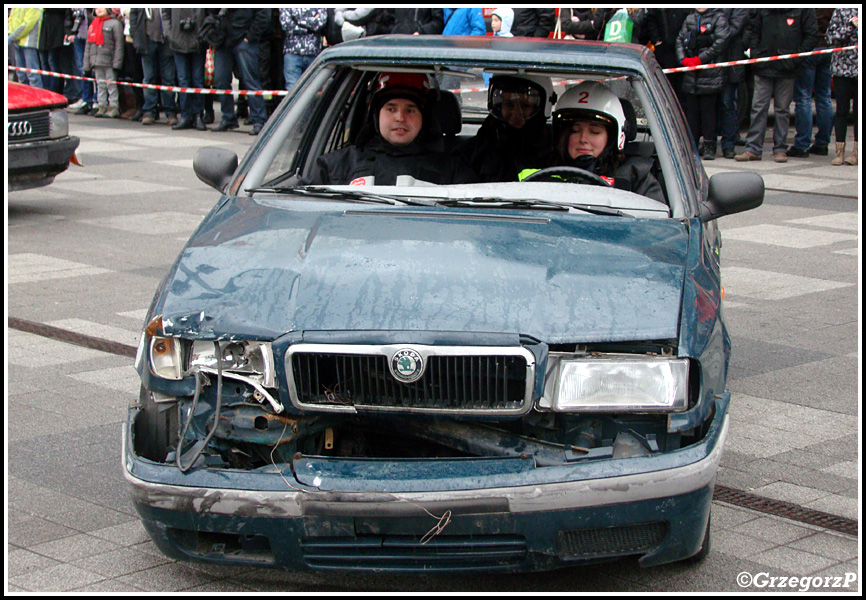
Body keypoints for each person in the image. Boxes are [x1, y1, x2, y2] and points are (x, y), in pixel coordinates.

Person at [301, 72, 477, 186]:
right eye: (391, 109)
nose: (400, 117)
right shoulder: (336, 167)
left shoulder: (454, 170)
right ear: (376, 115)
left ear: (425, 118)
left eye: (410, 110)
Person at [531, 81, 665, 203]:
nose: (583, 139)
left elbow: (656, 224)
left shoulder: (636, 177)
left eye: (595, 132)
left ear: (613, 137)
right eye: (575, 130)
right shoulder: (540, 168)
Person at [736, 9, 819, 163]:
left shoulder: (804, 9)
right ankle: (753, 149)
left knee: (782, 110)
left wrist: (795, 58)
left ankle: (780, 149)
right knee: (758, 107)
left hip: (788, 68)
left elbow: (812, 35)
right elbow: (753, 29)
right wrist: (756, 54)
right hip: (763, 65)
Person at [458, 74, 556, 182]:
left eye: (525, 106)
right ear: (499, 106)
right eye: (509, 105)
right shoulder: (474, 153)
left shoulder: (557, 148)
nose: (516, 114)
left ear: (542, 107)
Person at [676, 8, 729, 160]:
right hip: (691, 74)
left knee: (708, 112)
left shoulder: (719, 17)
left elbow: (721, 41)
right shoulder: (690, 17)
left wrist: (701, 59)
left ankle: (709, 145)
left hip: (710, 73)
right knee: (692, 112)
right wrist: (683, 59)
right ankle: (692, 144)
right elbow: (680, 39)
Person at [210, 9, 272, 136]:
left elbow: (264, 14)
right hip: (223, 40)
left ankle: (259, 121)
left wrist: (250, 37)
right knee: (221, 80)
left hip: (244, 40)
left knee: (251, 81)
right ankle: (228, 118)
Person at [788, 9, 835, 158]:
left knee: (803, 97)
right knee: (824, 96)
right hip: (827, 47)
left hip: (809, 48)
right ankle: (822, 143)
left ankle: (802, 145)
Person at [129, 8, 178, 126]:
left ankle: (170, 111)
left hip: (166, 41)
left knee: (168, 78)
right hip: (147, 40)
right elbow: (133, 16)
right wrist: (136, 36)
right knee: (149, 78)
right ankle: (149, 111)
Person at [162, 8, 207, 131]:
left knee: (197, 80)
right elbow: (165, 13)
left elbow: (209, 12)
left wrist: (204, 32)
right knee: (183, 81)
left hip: (198, 41)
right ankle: (185, 115)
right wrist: (169, 34)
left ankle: (198, 115)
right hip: (178, 41)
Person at [826, 8, 858, 166]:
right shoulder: (841, 10)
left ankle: (857, 152)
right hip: (842, 70)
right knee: (841, 110)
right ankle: (839, 151)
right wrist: (850, 26)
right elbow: (831, 38)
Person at [82, 8, 124, 119]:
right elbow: (88, 46)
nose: (99, 9)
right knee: (100, 84)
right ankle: (102, 105)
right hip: (96, 61)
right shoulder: (93, 24)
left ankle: (113, 106)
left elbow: (119, 45)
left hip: (109, 61)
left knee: (111, 84)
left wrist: (117, 62)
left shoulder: (115, 24)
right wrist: (86, 64)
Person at [718, 8, 749, 158]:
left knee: (728, 103)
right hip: (713, 58)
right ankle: (709, 142)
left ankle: (728, 143)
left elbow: (733, 29)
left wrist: (712, 30)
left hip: (731, 59)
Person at [278, 8, 327, 91]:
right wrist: (309, 26)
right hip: (292, 53)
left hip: (313, 53)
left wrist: (297, 20)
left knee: (314, 89)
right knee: (292, 90)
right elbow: (286, 24)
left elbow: (321, 22)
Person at [8, 7, 45, 89]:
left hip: (28, 43)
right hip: (17, 41)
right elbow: (11, 19)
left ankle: (37, 97)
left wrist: (12, 36)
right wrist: (11, 34)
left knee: (33, 75)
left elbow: (28, 24)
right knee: (21, 75)